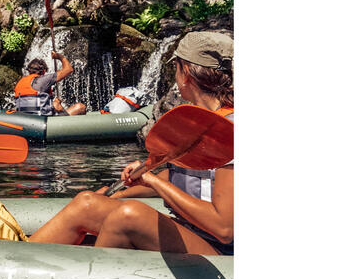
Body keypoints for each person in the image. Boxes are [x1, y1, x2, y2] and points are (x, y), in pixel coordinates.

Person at [28, 31, 233, 255]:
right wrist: (131, 187)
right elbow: (186, 180)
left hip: (220, 250)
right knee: (86, 203)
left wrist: (153, 183)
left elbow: (224, 228)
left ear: (187, 75)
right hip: (192, 229)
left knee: (128, 216)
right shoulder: (198, 120)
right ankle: (13, 265)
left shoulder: (230, 130)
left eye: (176, 67)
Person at [14, 52, 86, 116]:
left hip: (25, 119)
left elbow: (33, 101)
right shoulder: (43, 79)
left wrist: (55, 104)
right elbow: (69, 69)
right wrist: (60, 56)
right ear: (43, 71)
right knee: (80, 107)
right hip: (42, 120)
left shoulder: (20, 83)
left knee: (55, 105)